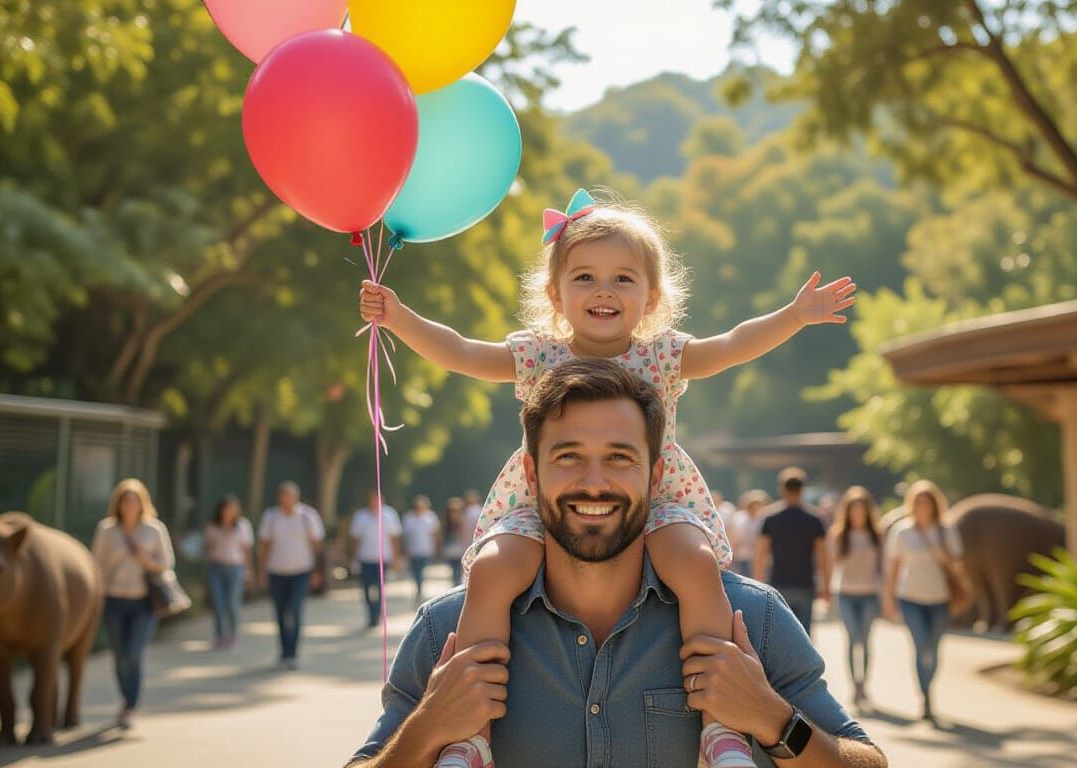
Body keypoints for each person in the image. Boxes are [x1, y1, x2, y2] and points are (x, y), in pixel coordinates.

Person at [359, 188, 856, 768]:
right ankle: (469, 733)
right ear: (555, 293)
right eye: (585, 277)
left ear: (651, 297)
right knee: (494, 568)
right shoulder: (537, 355)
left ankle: (722, 728)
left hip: (659, 497)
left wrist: (794, 315)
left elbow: (733, 345)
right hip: (539, 499)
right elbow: (461, 351)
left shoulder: (664, 356)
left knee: (694, 564)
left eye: (624, 279)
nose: (603, 290)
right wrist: (398, 317)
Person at [347, 358, 884, 768]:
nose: (595, 481)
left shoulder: (749, 618)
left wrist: (773, 719)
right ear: (531, 478)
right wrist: (427, 729)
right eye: (569, 456)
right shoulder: (450, 629)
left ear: (656, 478)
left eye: (620, 457)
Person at [90, 478, 174, 730]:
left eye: (134, 499)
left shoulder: (154, 529)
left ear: (142, 503)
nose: (129, 504)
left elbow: (166, 563)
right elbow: (95, 565)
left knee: (134, 654)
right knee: (120, 655)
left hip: (144, 602)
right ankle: (126, 698)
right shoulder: (106, 530)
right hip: (114, 600)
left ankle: (130, 705)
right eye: (125, 499)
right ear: (118, 503)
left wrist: (145, 560)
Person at [882, 479, 962, 721]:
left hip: (939, 598)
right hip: (910, 597)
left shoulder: (946, 531)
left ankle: (929, 688)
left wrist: (943, 557)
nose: (923, 505)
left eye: (927, 501)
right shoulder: (903, 531)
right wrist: (889, 598)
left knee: (934, 649)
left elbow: (958, 566)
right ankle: (925, 697)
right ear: (912, 504)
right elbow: (894, 568)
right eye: (918, 501)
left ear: (935, 503)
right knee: (920, 647)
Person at [257, 481, 324, 670]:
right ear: (279, 497)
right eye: (283, 495)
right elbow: (265, 545)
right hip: (277, 571)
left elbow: (317, 546)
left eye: (290, 495)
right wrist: (261, 571)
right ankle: (284, 651)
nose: (287, 499)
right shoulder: (271, 517)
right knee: (279, 612)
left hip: (301, 571)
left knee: (294, 610)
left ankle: (293, 652)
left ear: (296, 497)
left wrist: (318, 571)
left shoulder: (307, 517)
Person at [754, 468, 829, 636]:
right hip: (805, 583)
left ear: (781, 488)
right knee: (805, 633)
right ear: (803, 489)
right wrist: (826, 586)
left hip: (779, 582)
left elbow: (761, 554)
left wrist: (758, 584)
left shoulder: (771, 517)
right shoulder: (815, 518)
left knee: (781, 634)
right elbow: (823, 556)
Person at [827, 486, 883, 707]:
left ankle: (864, 684)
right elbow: (832, 568)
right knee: (852, 640)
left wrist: (885, 596)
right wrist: (830, 598)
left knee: (865, 640)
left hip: (869, 593)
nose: (858, 514)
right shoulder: (839, 535)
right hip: (846, 594)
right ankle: (855, 687)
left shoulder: (876, 536)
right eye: (854, 510)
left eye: (862, 509)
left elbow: (884, 566)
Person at [203, 494, 254, 649]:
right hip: (216, 567)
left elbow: (246, 550)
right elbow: (206, 548)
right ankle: (220, 636)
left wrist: (249, 569)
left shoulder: (243, 526)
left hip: (235, 568)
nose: (230, 512)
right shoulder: (212, 527)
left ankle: (233, 635)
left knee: (232, 603)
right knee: (218, 604)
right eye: (227, 509)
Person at [349, 489, 402, 629]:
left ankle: (377, 614)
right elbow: (356, 539)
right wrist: (354, 558)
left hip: (383, 559)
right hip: (365, 558)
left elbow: (394, 538)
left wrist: (396, 558)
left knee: (380, 588)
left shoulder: (389, 515)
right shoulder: (361, 516)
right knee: (366, 589)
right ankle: (371, 614)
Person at [402, 495, 441, 604]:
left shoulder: (431, 517)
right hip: (412, 551)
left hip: (426, 550)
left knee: (420, 572)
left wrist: (436, 548)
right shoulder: (408, 518)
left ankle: (419, 590)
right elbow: (405, 536)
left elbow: (435, 534)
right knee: (415, 572)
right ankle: (418, 588)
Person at [731, 490, 770, 578]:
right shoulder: (739, 518)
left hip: (760, 558)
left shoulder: (764, 519)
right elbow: (735, 538)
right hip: (743, 557)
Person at [441, 497, 471, 586]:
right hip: (452, 547)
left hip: (459, 547)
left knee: (458, 568)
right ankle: (456, 583)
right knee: (455, 568)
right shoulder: (447, 521)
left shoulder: (463, 519)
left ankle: (457, 583)